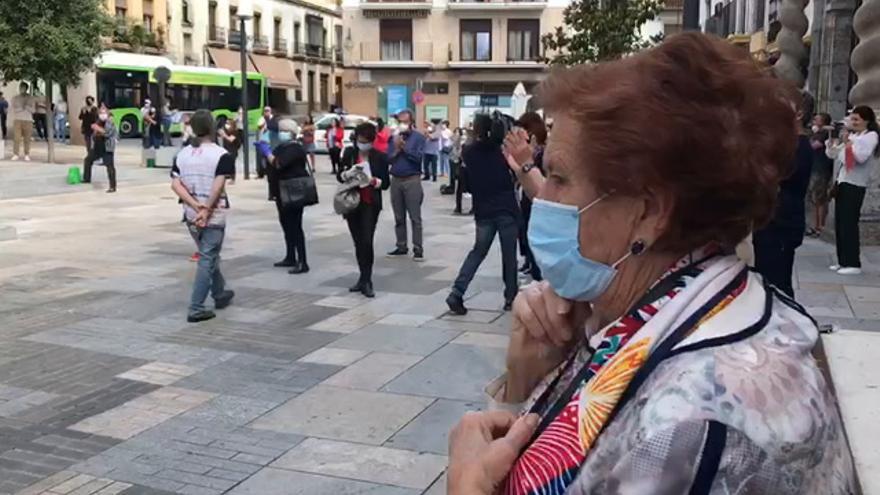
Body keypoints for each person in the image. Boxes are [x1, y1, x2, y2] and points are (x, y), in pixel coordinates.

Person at [448, 33, 854, 494]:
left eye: (558, 177)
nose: (543, 196)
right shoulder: (655, 311)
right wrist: (527, 377)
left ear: (648, 212)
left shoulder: (686, 425)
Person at [446, 114, 520, 315]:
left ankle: (457, 292)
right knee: (509, 255)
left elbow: (467, 180)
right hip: (506, 208)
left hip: (483, 209)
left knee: (477, 252)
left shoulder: (469, 152)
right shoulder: (501, 152)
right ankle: (510, 297)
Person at [170, 109, 235, 323]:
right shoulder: (221, 155)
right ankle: (196, 307)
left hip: (191, 214)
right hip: (213, 214)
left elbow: (175, 184)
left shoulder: (183, 154)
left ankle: (220, 293)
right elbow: (218, 184)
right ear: (213, 127)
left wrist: (194, 205)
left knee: (208, 253)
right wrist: (206, 208)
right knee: (207, 257)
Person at [752, 99, 813, 297]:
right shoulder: (787, 144)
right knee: (767, 280)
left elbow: (777, 176)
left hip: (782, 222)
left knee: (777, 283)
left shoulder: (800, 147)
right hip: (771, 220)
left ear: (799, 114)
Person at [337, 122, 391, 298]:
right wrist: (347, 174)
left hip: (369, 202)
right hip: (352, 201)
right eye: (360, 140)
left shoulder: (379, 157)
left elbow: (386, 184)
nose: (363, 144)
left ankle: (367, 280)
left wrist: (374, 181)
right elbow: (340, 175)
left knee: (367, 240)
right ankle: (362, 277)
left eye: (366, 141)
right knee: (358, 241)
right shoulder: (350, 153)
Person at [827, 105, 879, 275]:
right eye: (852, 119)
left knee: (849, 224)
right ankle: (843, 261)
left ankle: (853, 263)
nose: (853, 122)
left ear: (867, 121)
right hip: (843, 182)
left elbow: (858, 158)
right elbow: (835, 155)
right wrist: (834, 144)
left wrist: (849, 144)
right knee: (840, 223)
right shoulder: (854, 136)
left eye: (857, 119)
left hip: (855, 184)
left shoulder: (870, 136)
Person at [258, 119, 312, 274]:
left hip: (293, 191)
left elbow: (279, 163)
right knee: (286, 223)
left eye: (282, 131)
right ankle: (290, 256)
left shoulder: (295, 148)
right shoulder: (283, 147)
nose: (278, 134)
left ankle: (302, 261)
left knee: (295, 226)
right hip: (281, 191)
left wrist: (267, 153)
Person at [387, 109, 427, 261]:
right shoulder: (393, 138)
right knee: (399, 216)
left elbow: (418, 158)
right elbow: (388, 158)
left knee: (415, 216)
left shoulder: (419, 138)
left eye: (405, 121)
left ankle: (418, 248)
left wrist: (405, 148)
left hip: (412, 179)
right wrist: (397, 149)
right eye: (400, 121)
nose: (402, 124)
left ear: (411, 122)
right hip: (396, 179)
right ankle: (401, 245)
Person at [514, 111, 547, 281]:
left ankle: (537, 273)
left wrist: (528, 160)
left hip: (538, 200)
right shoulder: (531, 150)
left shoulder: (542, 151)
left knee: (534, 237)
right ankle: (531, 264)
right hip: (527, 198)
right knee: (526, 234)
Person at [807, 113, 834, 237]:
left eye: (817, 119)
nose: (814, 120)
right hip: (814, 168)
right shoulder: (817, 132)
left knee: (819, 199)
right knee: (814, 199)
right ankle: (815, 225)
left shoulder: (824, 133)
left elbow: (813, 146)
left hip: (821, 169)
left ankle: (819, 226)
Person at [82, 107, 118, 193]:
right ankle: (86, 178)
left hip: (107, 147)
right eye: (101, 113)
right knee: (88, 160)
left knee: (110, 166)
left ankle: (112, 186)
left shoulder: (110, 122)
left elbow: (107, 133)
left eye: (104, 113)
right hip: (97, 147)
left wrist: (97, 128)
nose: (102, 115)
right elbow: (94, 133)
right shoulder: (98, 121)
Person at [11, 83, 35, 161]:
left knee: (27, 138)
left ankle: (27, 154)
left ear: (26, 89)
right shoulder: (15, 98)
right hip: (17, 119)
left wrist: (26, 107)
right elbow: (14, 109)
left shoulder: (31, 98)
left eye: (24, 88)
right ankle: (16, 154)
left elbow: (33, 110)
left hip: (28, 120)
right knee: (16, 138)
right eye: (21, 88)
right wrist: (21, 108)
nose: (22, 89)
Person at [218, 119, 241, 183]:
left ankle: (233, 179)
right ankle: (228, 176)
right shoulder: (226, 132)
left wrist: (224, 135)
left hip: (233, 150)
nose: (226, 125)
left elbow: (231, 139)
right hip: (226, 150)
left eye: (228, 123)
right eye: (226, 123)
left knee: (232, 164)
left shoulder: (235, 132)